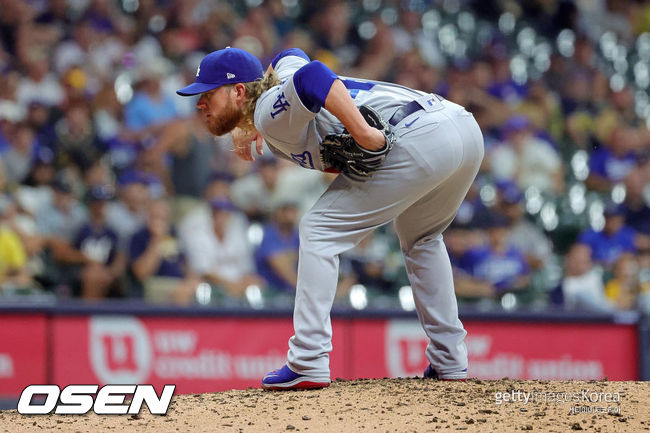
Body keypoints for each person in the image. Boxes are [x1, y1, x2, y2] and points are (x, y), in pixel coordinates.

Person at [177, 47, 484, 389]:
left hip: (418, 136)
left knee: (318, 230)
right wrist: (255, 119)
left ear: (237, 92)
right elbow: (292, 55)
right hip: (462, 129)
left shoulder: (267, 111)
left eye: (207, 94)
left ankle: (308, 359)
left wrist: (364, 134)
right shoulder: (269, 103)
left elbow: (315, 75)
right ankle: (449, 361)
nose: (200, 103)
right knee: (422, 238)